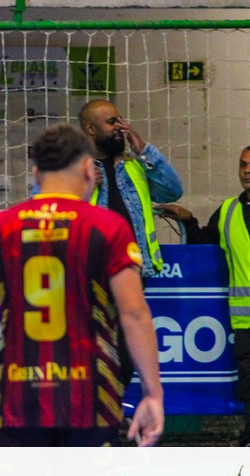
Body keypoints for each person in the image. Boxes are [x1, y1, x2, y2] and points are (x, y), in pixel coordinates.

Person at [0, 124, 164, 446]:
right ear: (87, 169)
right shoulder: (106, 226)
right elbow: (134, 313)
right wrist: (152, 393)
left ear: (36, 174)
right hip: (90, 400)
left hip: (17, 400)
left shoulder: (1, 226)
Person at [79, 99, 183, 388]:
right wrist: (79, 187)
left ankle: (109, 404)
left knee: (126, 347)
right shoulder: (71, 167)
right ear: (90, 128)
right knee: (90, 344)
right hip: (88, 272)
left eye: (120, 120)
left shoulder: (134, 165)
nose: (120, 127)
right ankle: (89, 407)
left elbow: (173, 190)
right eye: (112, 122)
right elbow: (44, 208)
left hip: (131, 271)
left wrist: (144, 150)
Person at [157, 145, 250, 447]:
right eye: (242, 165)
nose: (247, 170)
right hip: (245, 323)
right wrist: (187, 220)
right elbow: (205, 243)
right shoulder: (228, 212)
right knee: (248, 386)